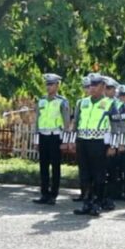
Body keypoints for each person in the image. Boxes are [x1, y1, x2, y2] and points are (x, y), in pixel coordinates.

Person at [72, 74, 115, 216]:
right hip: (83, 141)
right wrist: (72, 140)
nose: (92, 88)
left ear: (103, 87)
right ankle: (87, 203)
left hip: (99, 143)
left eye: (95, 85)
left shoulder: (110, 103)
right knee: (84, 174)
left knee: (99, 175)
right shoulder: (82, 102)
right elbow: (75, 123)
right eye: (91, 85)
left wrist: (112, 146)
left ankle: (97, 203)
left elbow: (117, 127)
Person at [33, 73, 71, 205]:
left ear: (57, 86)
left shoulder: (62, 101)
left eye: (51, 84)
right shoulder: (41, 101)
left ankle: (53, 195)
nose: (48, 87)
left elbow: (66, 123)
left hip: (56, 137)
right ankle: (44, 194)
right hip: (43, 136)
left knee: (55, 167)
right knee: (43, 166)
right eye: (47, 84)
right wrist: (36, 141)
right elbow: (37, 121)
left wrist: (65, 141)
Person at [101, 77, 125, 211]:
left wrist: (120, 143)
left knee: (112, 172)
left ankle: (109, 199)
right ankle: (98, 197)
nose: (107, 91)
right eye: (105, 88)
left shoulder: (119, 105)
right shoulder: (100, 102)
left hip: (113, 142)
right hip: (100, 141)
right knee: (100, 172)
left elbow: (122, 126)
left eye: (110, 88)